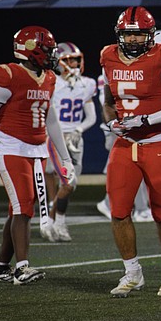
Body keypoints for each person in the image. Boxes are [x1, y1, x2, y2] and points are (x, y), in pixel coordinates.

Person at [0, 25, 75, 285]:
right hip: (11, 145)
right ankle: (22, 268)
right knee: (23, 205)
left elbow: (51, 119)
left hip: (37, 149)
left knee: (20, 209)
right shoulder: (8, 74)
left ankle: (1, 266)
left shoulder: (49, 78)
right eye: (47, 50)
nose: (52, 55)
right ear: (30, 50)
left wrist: (65, 158)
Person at [101, 6, 161, 297]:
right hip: (125, 145)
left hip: (159, 142)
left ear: (151, 35)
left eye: (139, 35)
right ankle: (132, 273)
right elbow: (109, 99)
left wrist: (147, 119)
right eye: (129, 34)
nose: (135, 40)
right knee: (119, 212)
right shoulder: (108, 56)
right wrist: (111, 121)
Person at [42, 42, 97, 242]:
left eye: (76, 59)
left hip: (75, 139)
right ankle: (56, 222)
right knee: (65, 181)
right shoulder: (51, 82)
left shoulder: (87, 84)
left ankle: (52, 218)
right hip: (56, 138)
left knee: (70, 184)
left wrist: (79, 129)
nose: (73, 63)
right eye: (68, 59)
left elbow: (91, 116)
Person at [95, 72, 152, 223]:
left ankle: (109, 203)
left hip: (131, 125)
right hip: (119, 127)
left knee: (127, 169)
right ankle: (140, 208)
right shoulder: (110, 73)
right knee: (133, 165)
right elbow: (106, 104)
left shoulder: (134, 72)